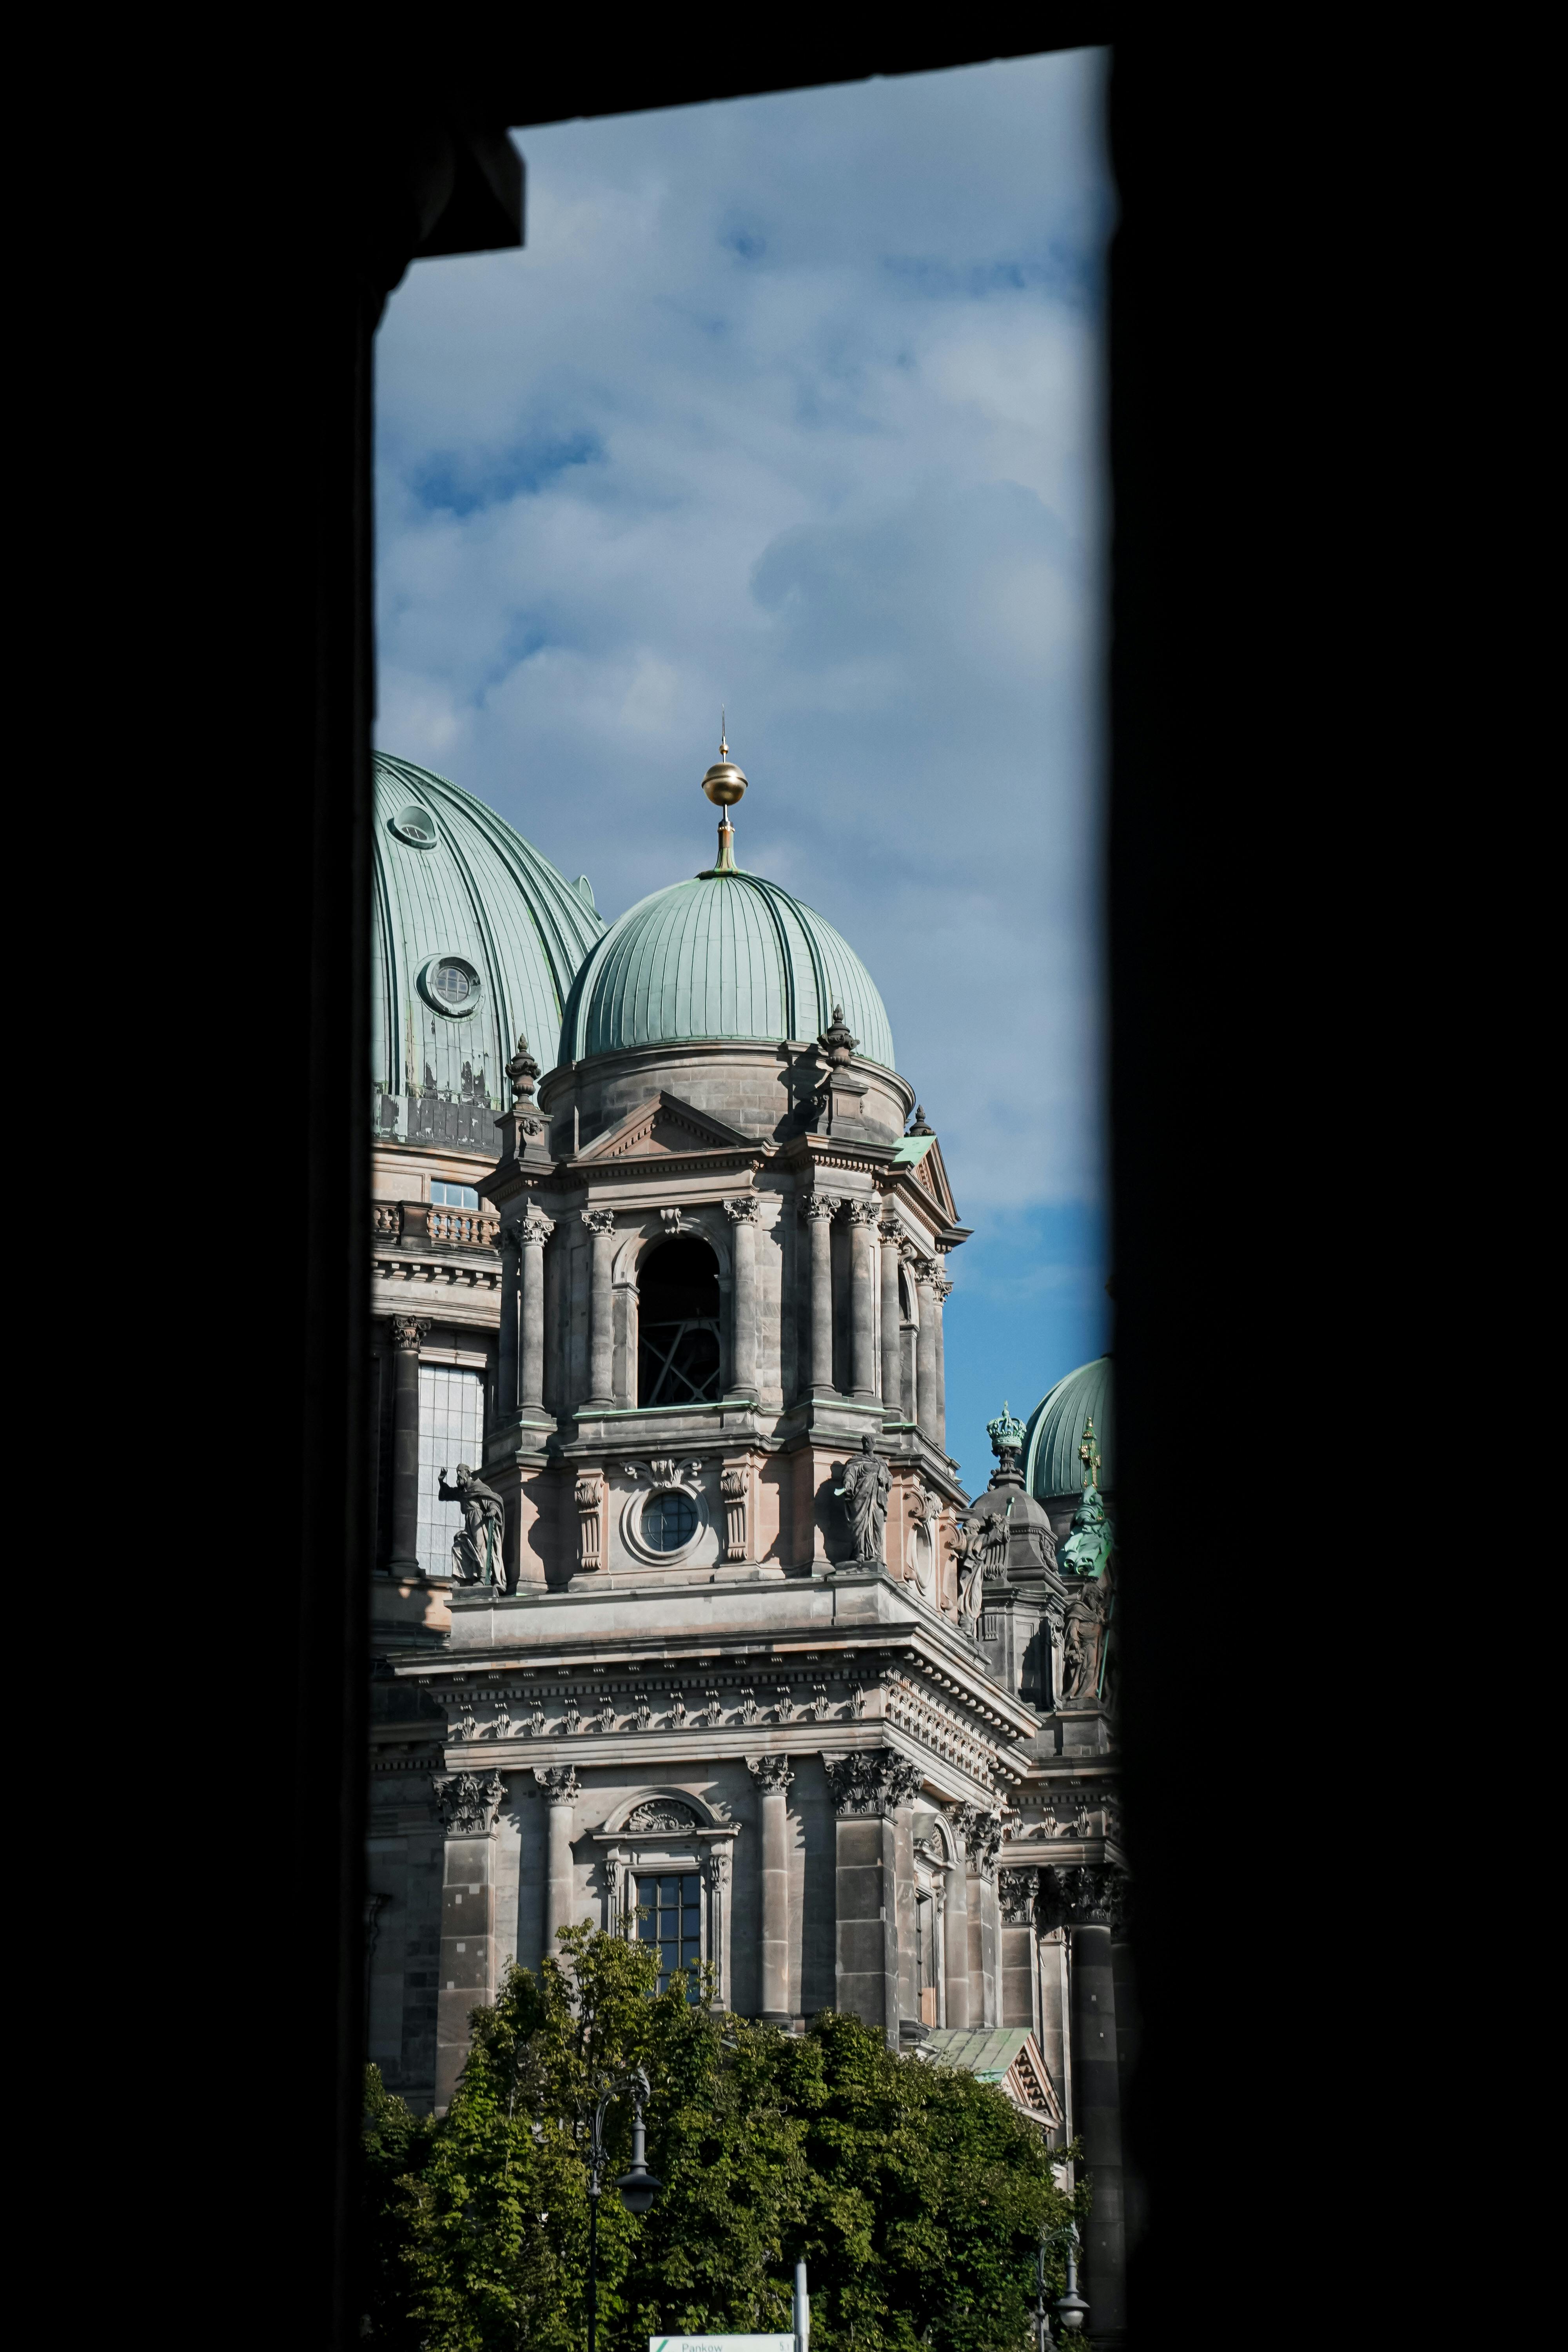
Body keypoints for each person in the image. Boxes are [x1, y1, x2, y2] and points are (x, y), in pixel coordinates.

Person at [437, 1462, 505, 1587]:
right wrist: (441, 1482)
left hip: (479, 1520)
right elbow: (447, 1494)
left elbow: (492, 1501)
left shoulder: (478, 1487)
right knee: (459, 1547)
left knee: (481, 1547)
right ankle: (461, 1578)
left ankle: (483, 1578)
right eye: (457, 1472)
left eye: (461, 1471)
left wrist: (493, 1511)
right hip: (469, 1522)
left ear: (468, 1473)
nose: (458, 1474)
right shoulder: (463, 1492)